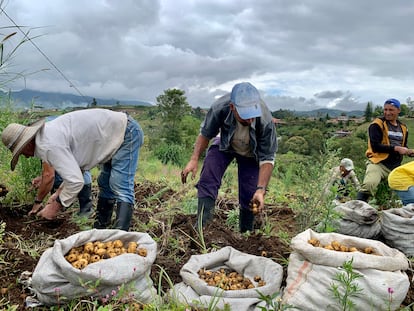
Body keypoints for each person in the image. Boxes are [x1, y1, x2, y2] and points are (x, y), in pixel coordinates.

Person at [1, 108, 144, 231]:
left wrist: (56, 206)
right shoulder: (46, 139)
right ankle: (100, 229)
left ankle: (121, 236)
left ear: (26, 144)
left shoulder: (49, 145)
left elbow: (76, 181)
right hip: (111, 135)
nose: (25, 157)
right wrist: (58, 194)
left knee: (120, 184)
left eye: (21, 152)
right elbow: (75, 170)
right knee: (105, 183)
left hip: (125, 132)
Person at [181, 82, 277, 233]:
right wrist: (194, 159)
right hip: (225, 144)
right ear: (233, 108)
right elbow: (206, 134)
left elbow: (267, 158)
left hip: (252, 152)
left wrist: (260, 190)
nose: (250, 120)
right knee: (208, 176)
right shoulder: (220, 108)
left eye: (252, 116)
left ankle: (246, 235)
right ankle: (203, 229)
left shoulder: (265, 120)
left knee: (249, 193)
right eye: (245, 116)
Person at [29, 115, 93, 217]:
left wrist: (38, 202)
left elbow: (49, 175)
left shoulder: (46, 143)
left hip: (78, 177)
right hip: (81, 172)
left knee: (62, 180)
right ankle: (82, 211)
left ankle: (60, 210)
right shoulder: (56, 131)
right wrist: (42, 178)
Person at [356, 98, 413, 202]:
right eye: (385, 109)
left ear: (398, 111)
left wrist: (409, 152)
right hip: (378, 163)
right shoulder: (377, 124)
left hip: (395, 166)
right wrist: (396, 148)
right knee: (369, 185)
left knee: (403, 188)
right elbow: (375, 146)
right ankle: (358, 207)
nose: (387, 112)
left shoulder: (404, 128)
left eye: (391, 110)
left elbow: (403, 146)